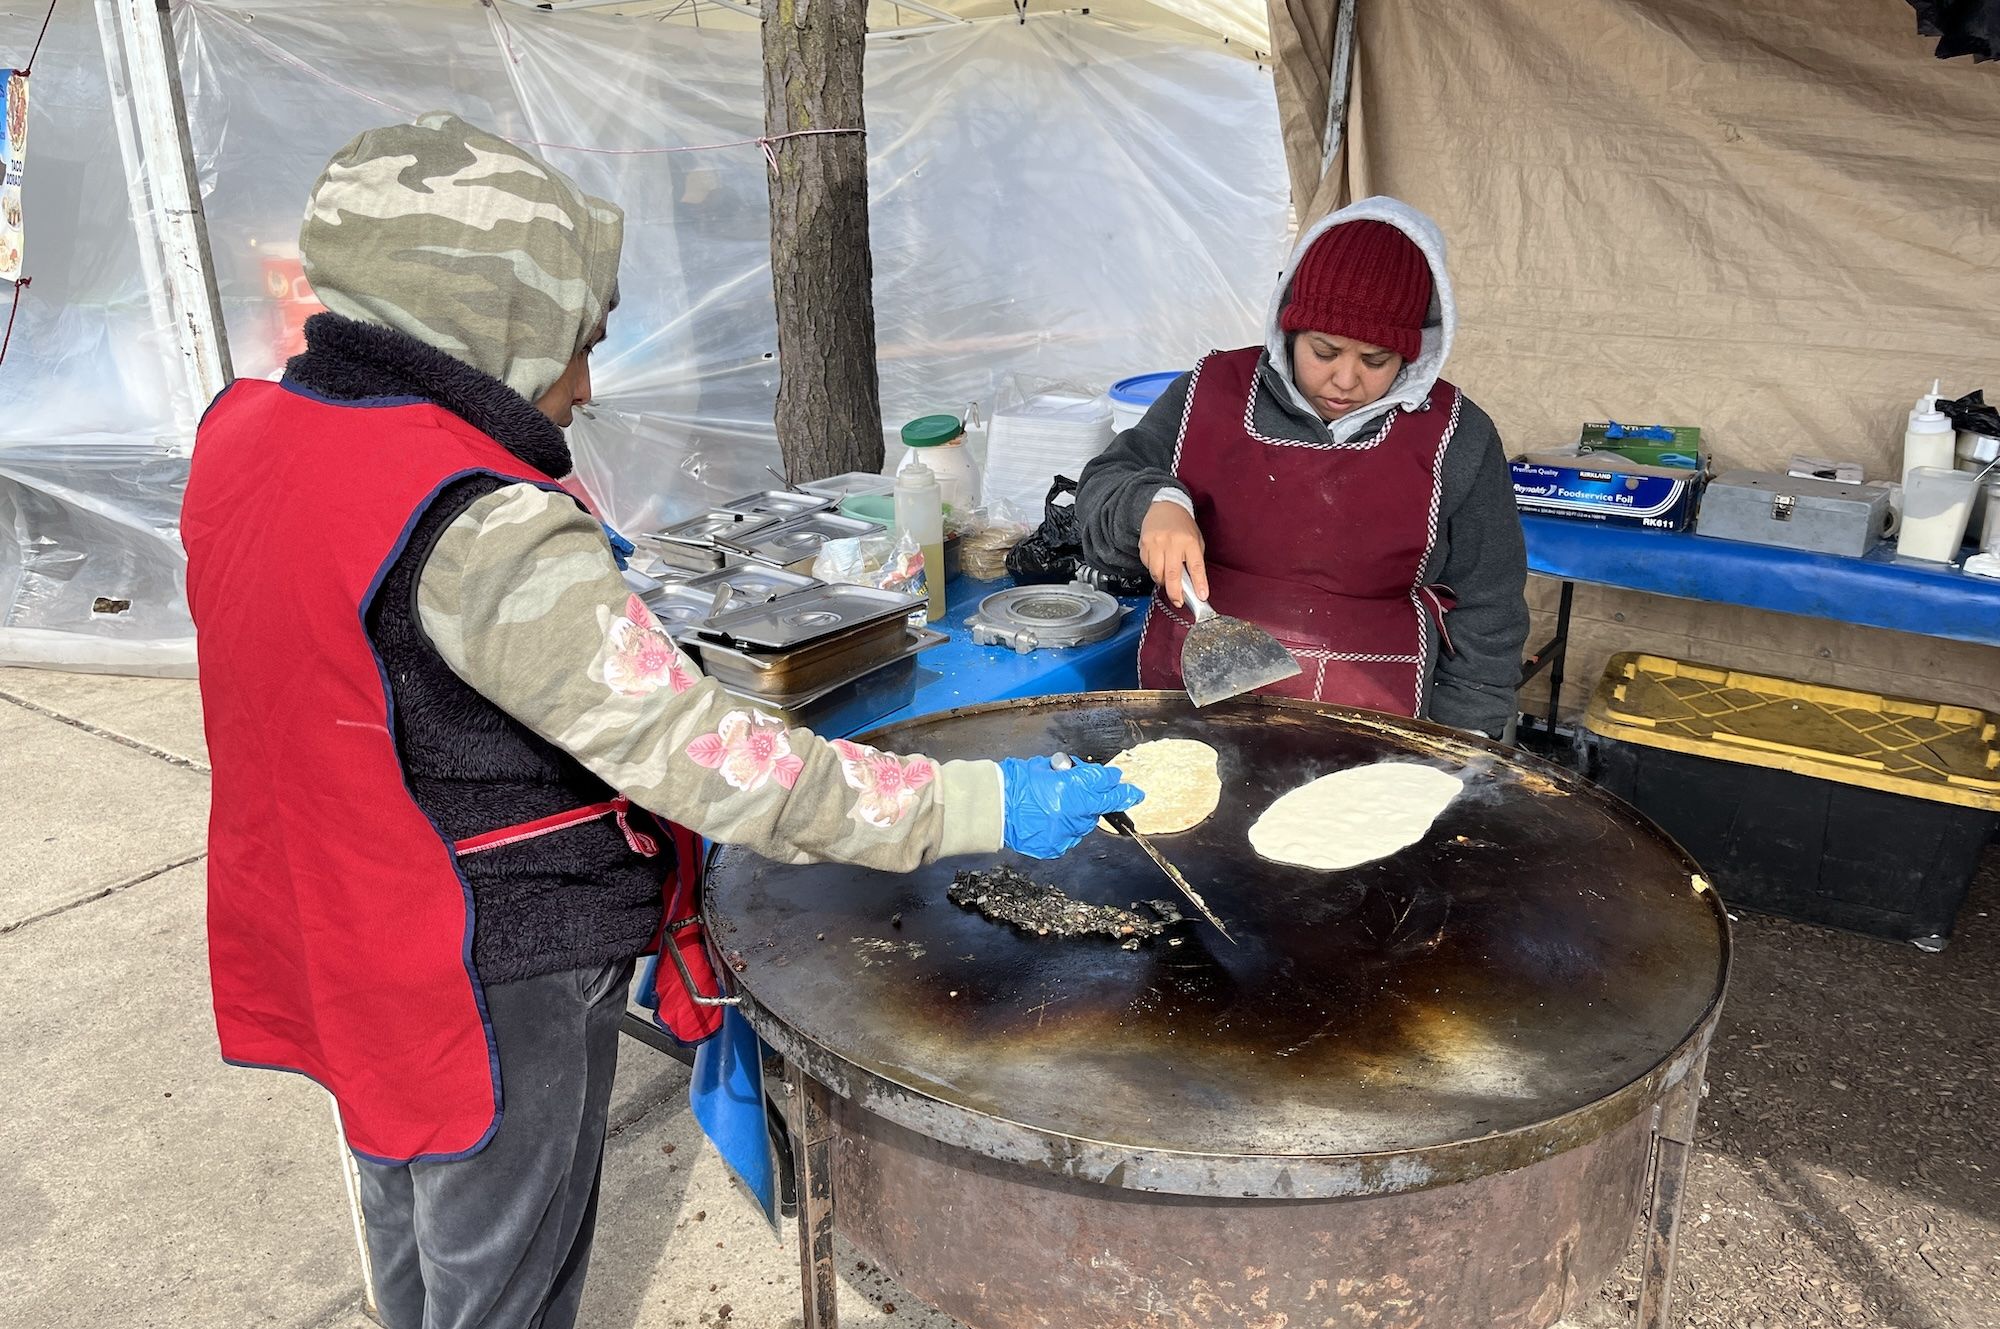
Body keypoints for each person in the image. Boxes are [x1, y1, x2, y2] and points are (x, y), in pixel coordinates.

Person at [179, 113, 1140, 1329]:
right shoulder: (480, 526)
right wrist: (985, 801)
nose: (581, 387)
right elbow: (722, 770)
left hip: (330, 914)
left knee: (407, 1203)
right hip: (482, 957)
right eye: (570, 344)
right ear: (491, 325)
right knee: (502, 1268)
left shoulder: (247, 431)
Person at [1078, 198, 1529, 737]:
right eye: (1325, 350)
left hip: (1371, 721)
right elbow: (1102, 489)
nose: (1345, 380)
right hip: (1191, 699)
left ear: (1415, 353)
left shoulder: (1459, 435)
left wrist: (1463, 740)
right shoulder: (1210, 392)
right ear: (1289, 328)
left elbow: (1489, 604)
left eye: (1375, 360)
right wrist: (1153, 505)